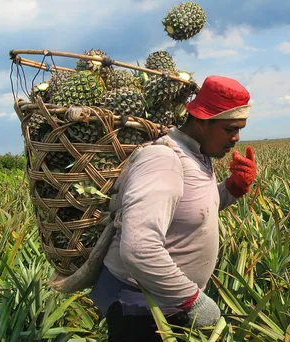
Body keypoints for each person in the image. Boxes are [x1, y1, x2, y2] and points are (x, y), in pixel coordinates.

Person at [90, 75, 257, 341]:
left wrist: (232, 189)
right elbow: (139, 248)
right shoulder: (163, 160)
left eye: (240, 129)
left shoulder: (198, 154)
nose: (236, 137)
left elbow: (188, 213)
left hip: (164, 305)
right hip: (140, 309)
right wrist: (191, 299)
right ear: (202, 121)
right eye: (230, 129)